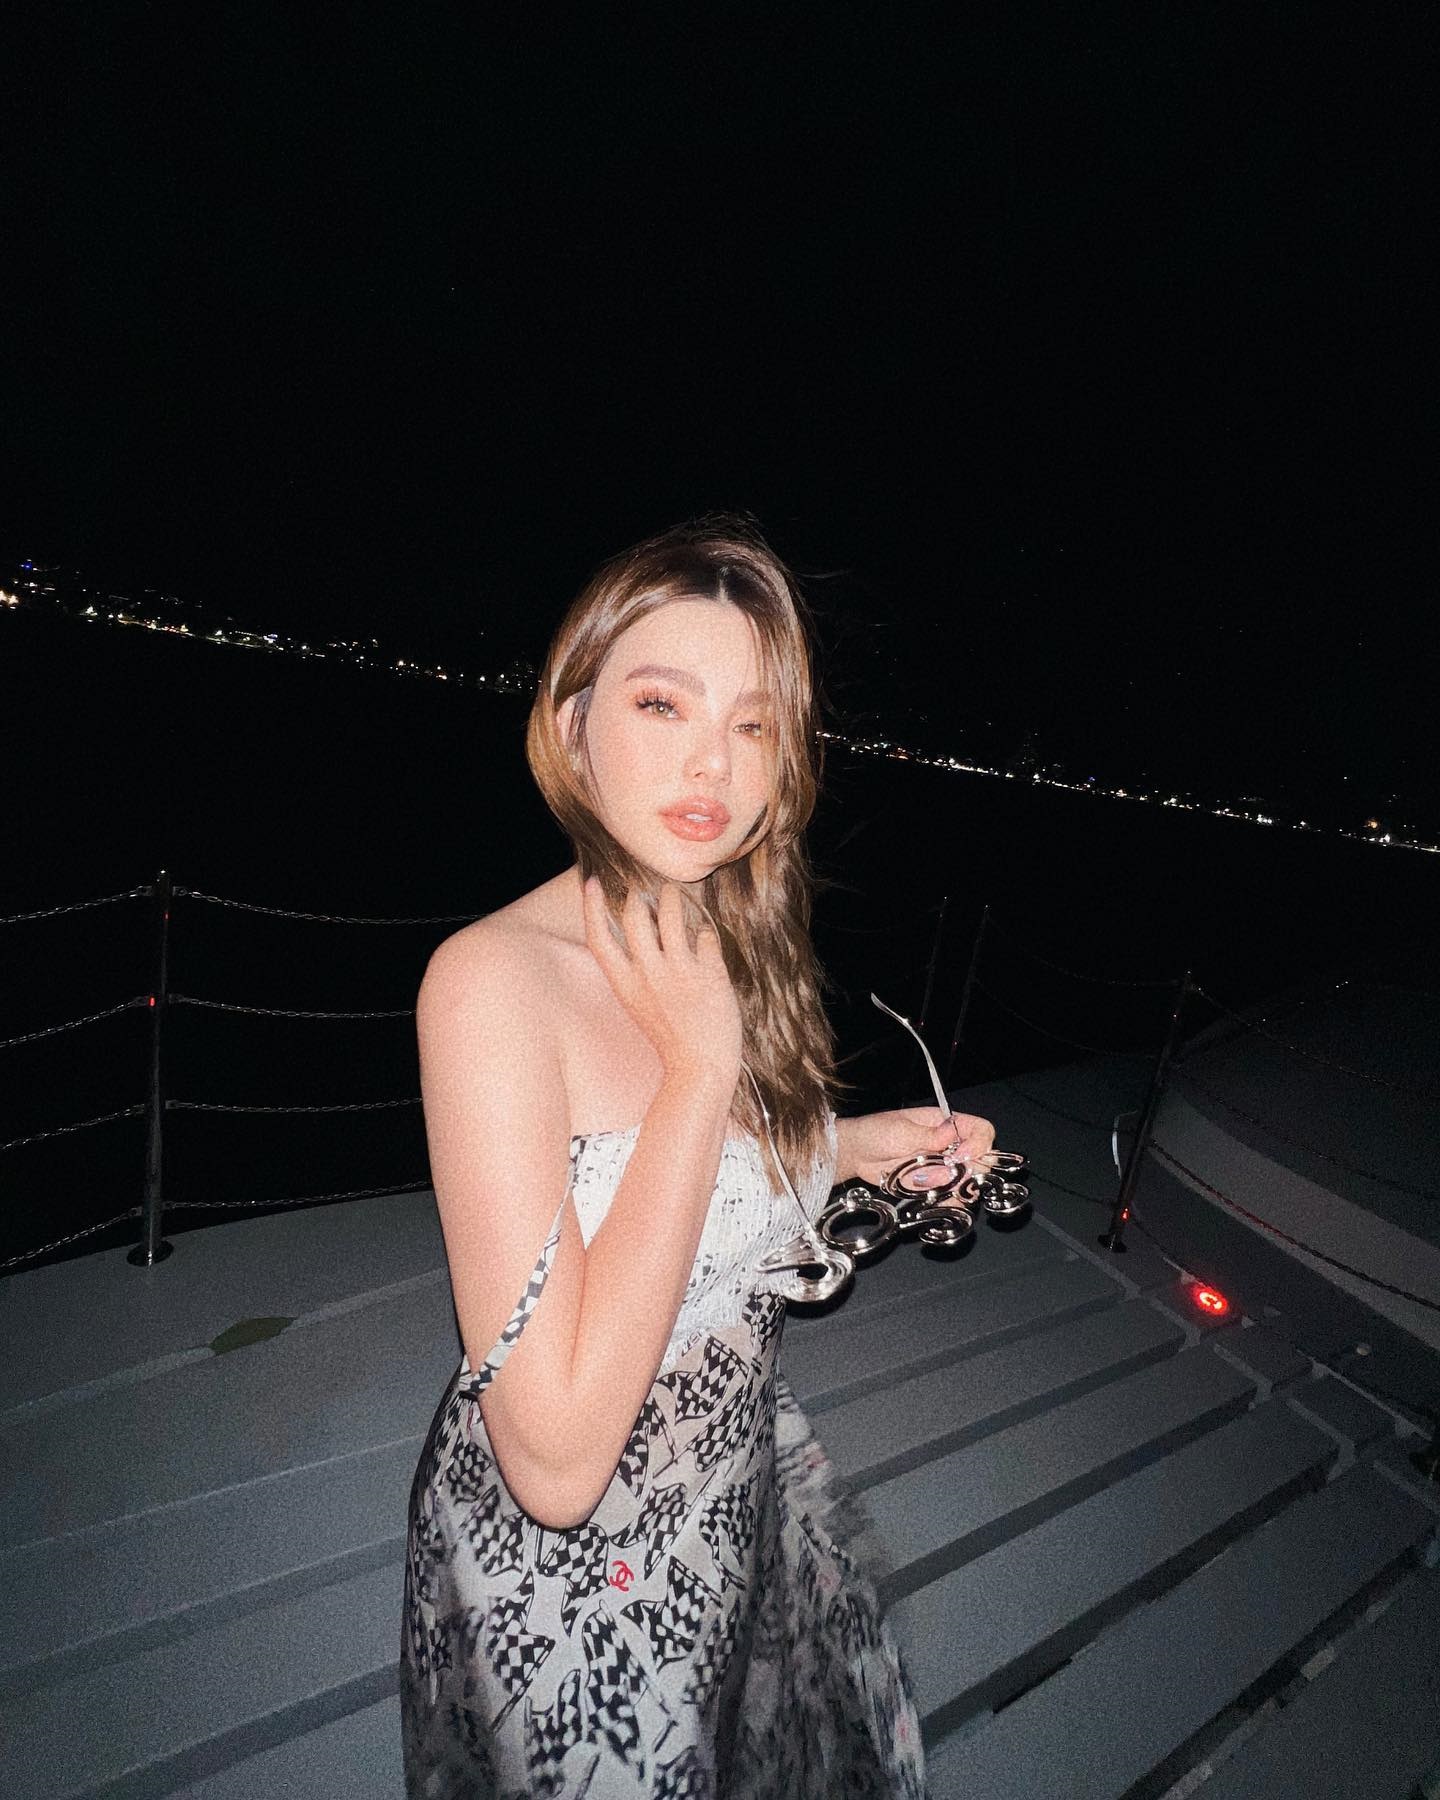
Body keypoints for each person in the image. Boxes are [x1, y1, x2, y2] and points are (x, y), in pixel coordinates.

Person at [400, 516, 996, 1798]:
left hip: (734, 1488)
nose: (712, 764)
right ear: (573, 725)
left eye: (754, 724)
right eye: (663, 704)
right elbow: (555, 1463)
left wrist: (851, 1149)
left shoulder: (719, 928)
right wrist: (697, 1073)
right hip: (572, 1581)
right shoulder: (492, 986)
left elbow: (709, 1186)